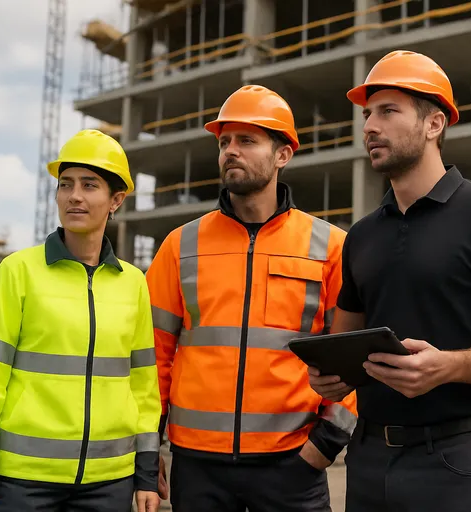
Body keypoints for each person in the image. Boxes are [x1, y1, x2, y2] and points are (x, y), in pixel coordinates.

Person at [308, 50, 471, 512]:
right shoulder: (361, 236)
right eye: (367, 115)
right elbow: (345, 341)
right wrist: (332, 376)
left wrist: (449, 366)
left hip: (460, 461)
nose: (370, 127)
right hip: (369, 463)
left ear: (434, 124)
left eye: (388, 111)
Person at [146, 84, 358, 512]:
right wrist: (148, 451)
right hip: (198, 468)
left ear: (283, 154)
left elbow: (350, 355)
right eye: (224, 141)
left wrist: (325, 445)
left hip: (292, 465)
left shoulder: (330, 246)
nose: (231, 151)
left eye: (246, 140)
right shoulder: (180, 245)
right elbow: (152, 357)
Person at [0, 129, 163, 512]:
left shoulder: (134, 283)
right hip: (23, 482)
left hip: (110, 483)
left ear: (116, 200)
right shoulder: (18, 272)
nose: (74, 195)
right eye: (65, 184)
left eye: (89, 185)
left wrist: (146, 474)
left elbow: (144, 389)